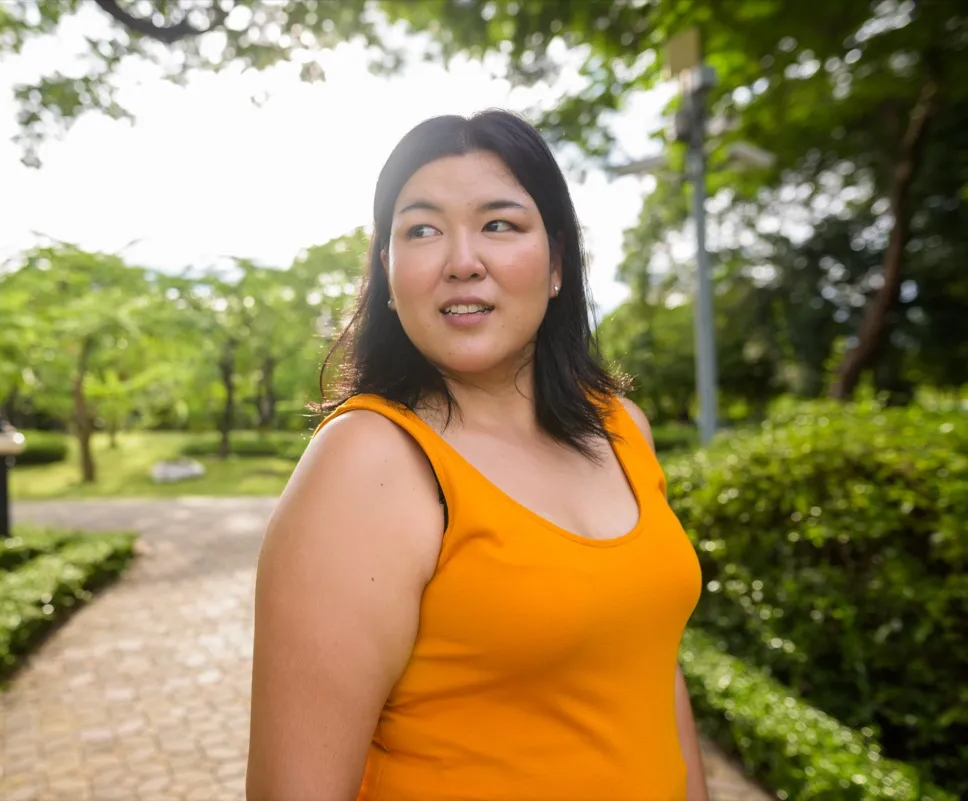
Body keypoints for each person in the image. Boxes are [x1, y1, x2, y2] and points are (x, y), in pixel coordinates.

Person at [246, 109, 708, 801]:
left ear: (557, 264)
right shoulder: (370, 460)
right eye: (422, 229)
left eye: (499, 223)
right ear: (389, 272)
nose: (462, 261)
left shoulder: (621, 427)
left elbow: (651, 666)